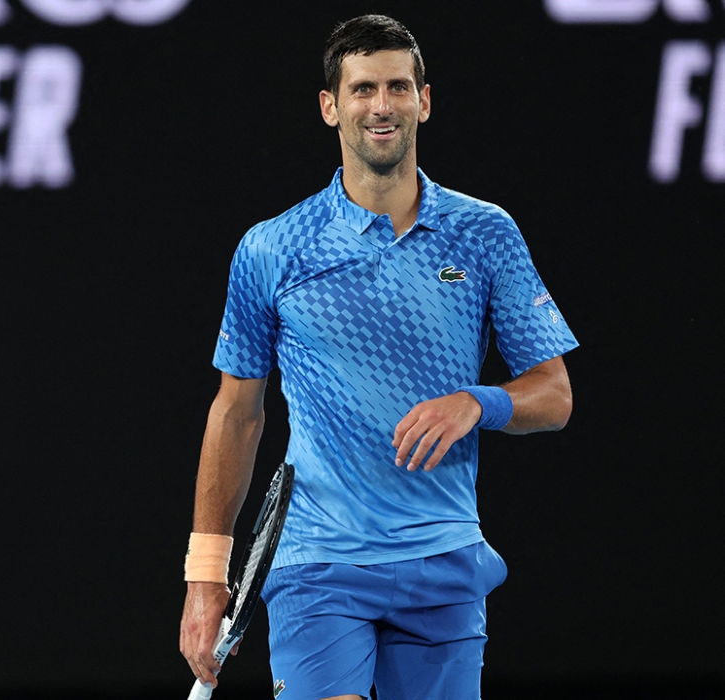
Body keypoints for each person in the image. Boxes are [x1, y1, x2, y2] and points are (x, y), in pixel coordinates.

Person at [179, 13, 578, 700]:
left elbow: (555, 395)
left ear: (425, 100)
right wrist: (205, 574)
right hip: (318, 562)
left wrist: (477, 402)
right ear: (331, 107)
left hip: (444, 560)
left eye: (398, 87)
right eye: (363, 89)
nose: (382, 105)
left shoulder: (486, 233)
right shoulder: (273, 248)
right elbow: (237, 413)